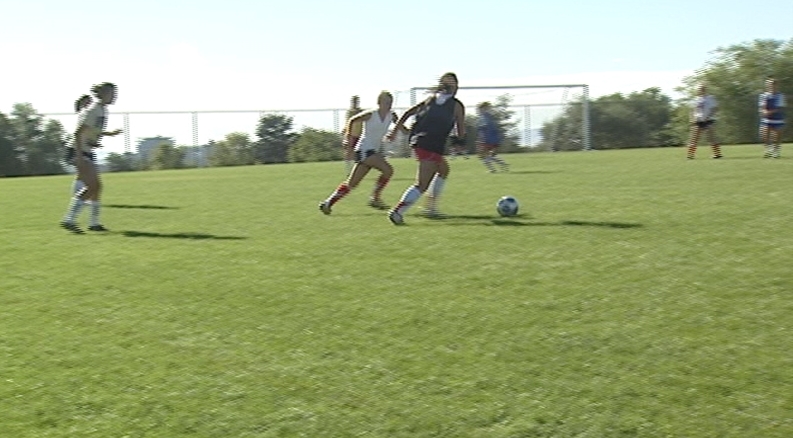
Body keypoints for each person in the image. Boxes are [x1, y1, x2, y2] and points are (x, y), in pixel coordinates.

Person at [385, 72, 466, 224]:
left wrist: (395, 131)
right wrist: (459, 143)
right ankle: (397, 211)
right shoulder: (457, 105)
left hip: (418, 142)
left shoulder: (430, 99)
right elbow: (461, 131)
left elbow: (408, 112)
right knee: (421, 185)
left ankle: (431, 207)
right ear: (455, 87)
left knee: (444, 170)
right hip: (432, 145)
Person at [319, 91, 403, 214]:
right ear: (379, 102)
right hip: (364, 150)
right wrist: (347, 138)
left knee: (352, 184)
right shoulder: (371, 114)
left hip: (372, 151)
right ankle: (375, 198)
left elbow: (403, 128)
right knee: (388, 170)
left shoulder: (392, 115)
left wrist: (398, 132)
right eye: (386, 102)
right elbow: (352, 120)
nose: (389, 105)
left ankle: (328, 203)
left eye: (390, 102)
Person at [60, 82, 122, 234]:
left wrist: (101, 138)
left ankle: (94, 223)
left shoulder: (102, 110)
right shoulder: (94, 110)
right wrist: (80, 156)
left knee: (97, 187)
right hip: (77, 151)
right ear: (102, 94)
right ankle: (69, 219)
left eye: (115, 93)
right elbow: (77, 133)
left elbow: (92, 131)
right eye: (111, 94)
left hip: (85, 150)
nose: (114, 97)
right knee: (92, 186)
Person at [686, 84, 721, 159]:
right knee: (694, 138)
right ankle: (690, 155)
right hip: (698, 120)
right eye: (699, 88)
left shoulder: (710, 98)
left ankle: (717, 154)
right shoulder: (696, 99)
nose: (700, 90)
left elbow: (715, 109)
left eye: (702, 88)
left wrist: (708, 117)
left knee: (712, 138)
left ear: (705, 89)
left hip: (708, 120)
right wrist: (692, 119)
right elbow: (692, 110)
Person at [476, 101, 509, 171]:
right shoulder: (489, 116)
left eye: (479, 109)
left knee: (483, 155)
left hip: (487, 139)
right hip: (493, 139)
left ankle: (493, 169)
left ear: (483, 108)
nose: (478, 111)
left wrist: (481, 138)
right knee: (490, 155)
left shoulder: (484, 117)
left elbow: (484, 127)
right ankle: (503, 165)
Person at [759, 77, 785, 158]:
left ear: (776, 85)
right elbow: (762, 106)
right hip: (767, 119)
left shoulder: (780, 96)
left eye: (773, 84)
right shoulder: (763, 95)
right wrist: (764, 111)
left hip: (778, 119)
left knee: (777, 135)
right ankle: (768, 150)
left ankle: (776, 151)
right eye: (769, 84)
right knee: (764, 133)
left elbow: (778, 108)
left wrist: (768, 112)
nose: (771, 86)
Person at [342, 95, 364, 174]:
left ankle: (357, 170)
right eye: (354, 101)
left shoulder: (362, 111)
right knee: (349, 152)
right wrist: (345, 132)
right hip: (352, 134)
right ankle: (349, 170)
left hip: (360, 135)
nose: (355, 103)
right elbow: (347, 122)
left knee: (359, 153)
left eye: (357, 101)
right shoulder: (350, 112)